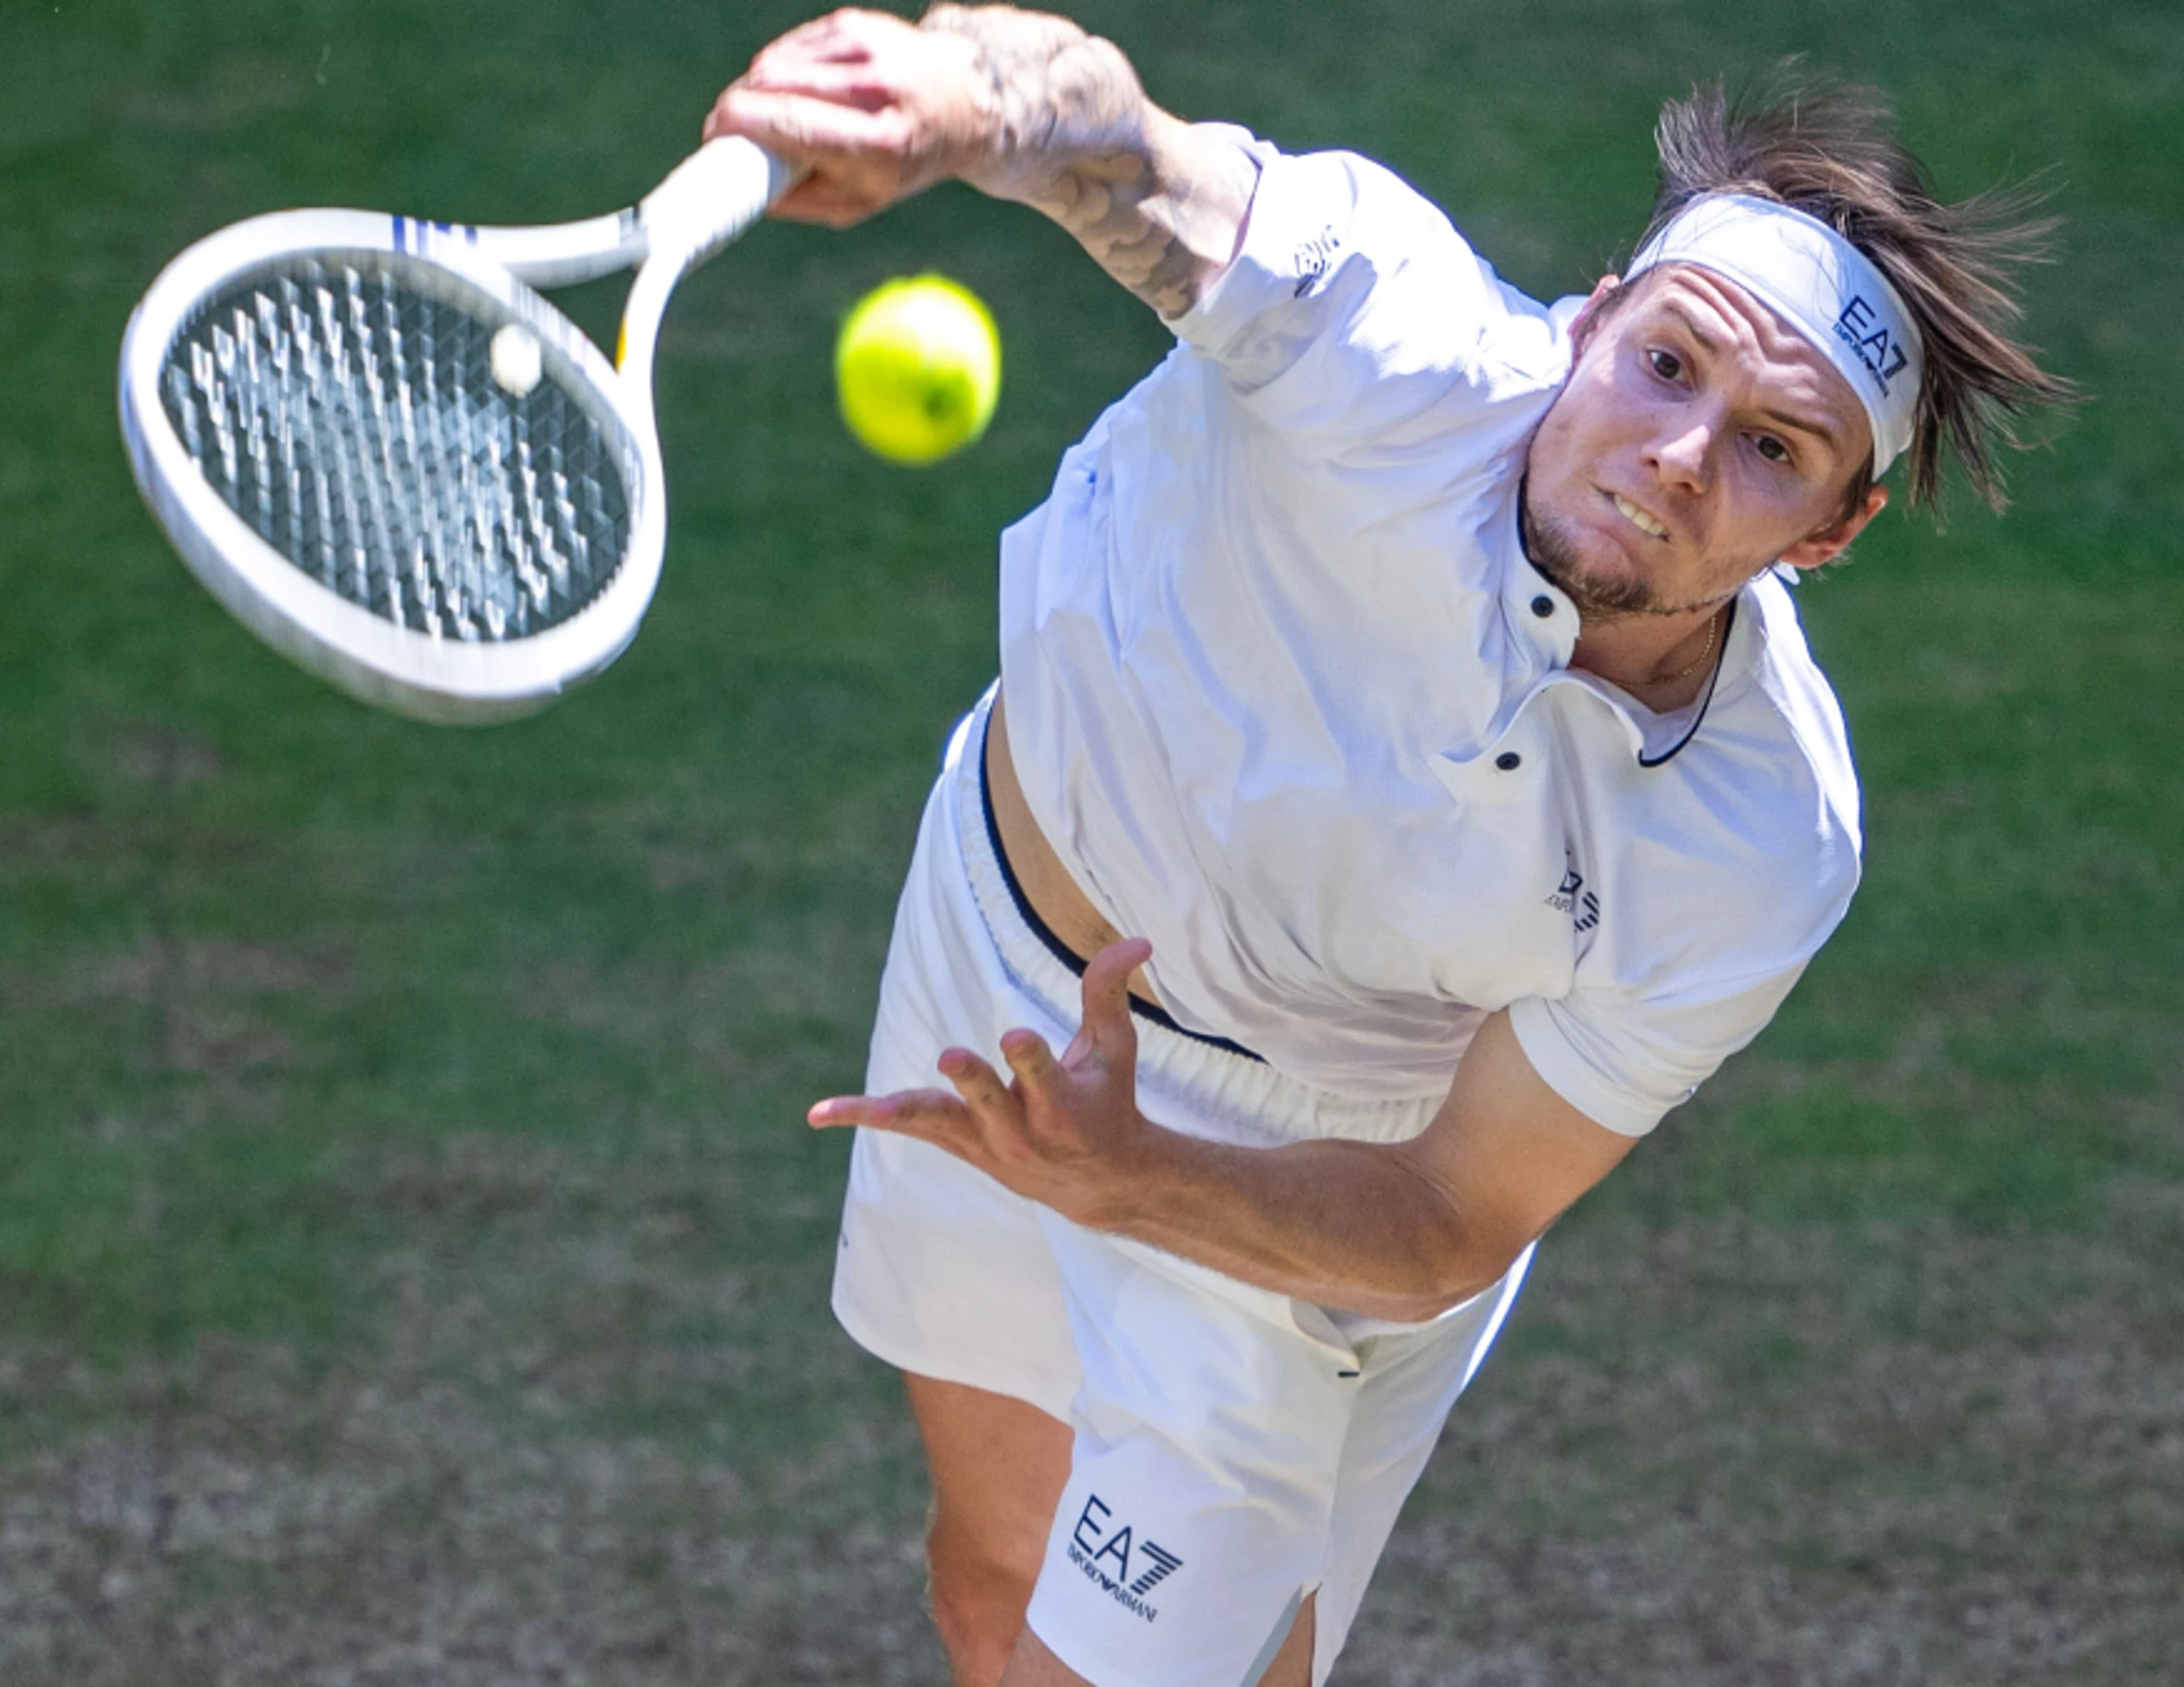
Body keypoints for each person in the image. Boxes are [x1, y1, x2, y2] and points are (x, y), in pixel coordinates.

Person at [705, 9, 2076, 1684]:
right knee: (990, 1584)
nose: (1676, 458)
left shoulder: (1755, 841)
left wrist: (1127, 1174)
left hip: (1312, 1172)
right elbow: (1115, 143)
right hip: (994, 953)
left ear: (1835, 528)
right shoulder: (1381, 332)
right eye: (1666, 364)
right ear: (1587, 324)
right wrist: (959, 100)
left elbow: (1444, 1215)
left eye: (1771, 451)